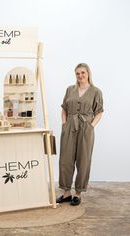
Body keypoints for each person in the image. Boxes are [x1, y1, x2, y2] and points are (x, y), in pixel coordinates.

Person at [56, 63, 103, 206]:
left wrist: (91, 126)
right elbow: (64, 108)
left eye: (83, 72)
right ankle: (66, 193)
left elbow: (99, 111)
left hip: (86, 128)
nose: (80, 75)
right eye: (77, 73)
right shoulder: (70, 89)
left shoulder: (96, 91)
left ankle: (78, 193)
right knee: (65, 160)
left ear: (88, 73)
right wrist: (64, 124)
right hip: (69, 127)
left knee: (83, 160)